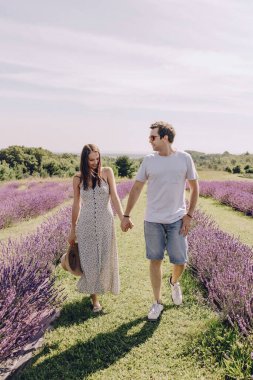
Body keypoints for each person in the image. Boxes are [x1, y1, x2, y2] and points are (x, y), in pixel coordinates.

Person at [121, 121, 199, 321]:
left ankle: (174, 282)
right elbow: (137, 188)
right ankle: (157, 302)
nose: (150, 140)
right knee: (155, 260)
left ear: (165, 137)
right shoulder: (149, 160)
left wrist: (189, 215)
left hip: (177, 219)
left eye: (153, 137)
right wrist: (126, 215)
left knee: (180, 261)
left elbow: (195, 187)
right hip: (153, 220)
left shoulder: (184, 158)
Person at [68, 144, 124, 312]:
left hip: (106, 222)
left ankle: (103, 287)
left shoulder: (107, 172)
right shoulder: (77, 178)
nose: (94, 162)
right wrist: (73, 228)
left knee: (105, 258)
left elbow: (114, 196)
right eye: (91, 160)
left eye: (97, 158)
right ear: (84, 160)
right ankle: (95, 301)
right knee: (89, 261)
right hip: (85, 225)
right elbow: (76, 204)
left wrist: (123, 218)